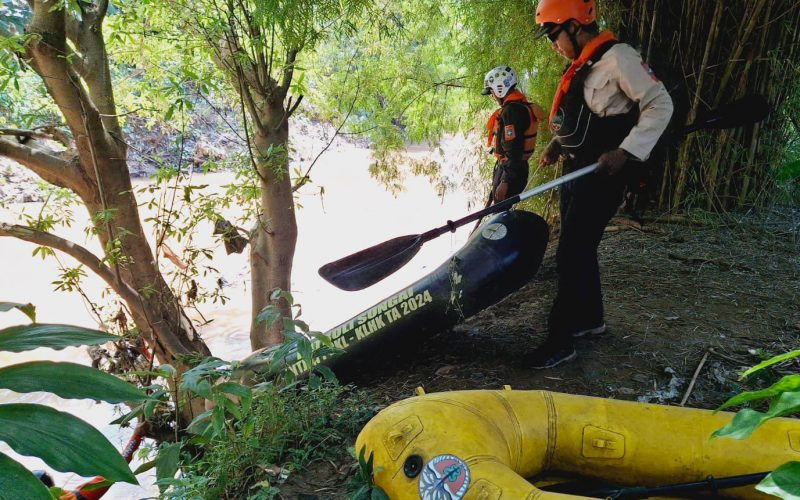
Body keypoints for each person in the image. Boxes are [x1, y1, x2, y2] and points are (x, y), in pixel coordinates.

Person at [530, 0, 673, 368]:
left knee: (571, 253)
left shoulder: (620, 58)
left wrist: (625, 152)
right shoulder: (582, 64)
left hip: (604, 174)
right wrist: (556, 144)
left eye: (553, 35)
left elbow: (661, 105)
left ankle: (560, 340)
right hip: (576, 170)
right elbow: (580, 115)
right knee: (580, 247)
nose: (552, 45)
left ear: (576, 26)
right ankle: (590, 320)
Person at [483, 66, 545, 203]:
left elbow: (514, 150)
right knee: (499, 210)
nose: (492, 96)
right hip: (513, 169)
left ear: (500, 89)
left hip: (511, 171)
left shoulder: (512, 112)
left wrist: (505, 181)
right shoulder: (518, 107)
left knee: (501, 212)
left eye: (491, 91)